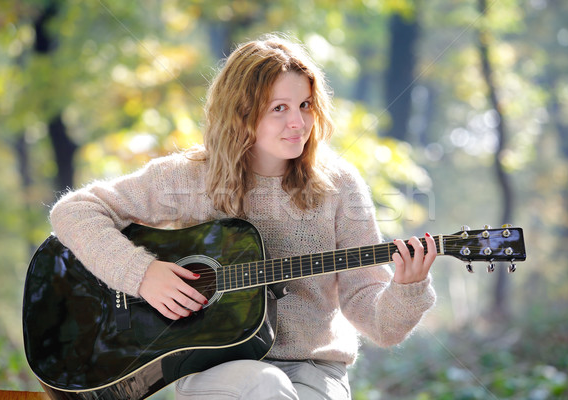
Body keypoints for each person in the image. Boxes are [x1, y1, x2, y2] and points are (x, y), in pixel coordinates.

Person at [49, 33, 437, 400]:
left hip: (315, 370)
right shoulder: (187, 177)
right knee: (263, 384)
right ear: (241, 113)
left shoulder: (339, 185)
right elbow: (73, 211)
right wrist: (142, 274)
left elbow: (379, 325)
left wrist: (408, 288)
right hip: (215, 368)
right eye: (279, 109)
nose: (298, 123)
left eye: (305, 105)